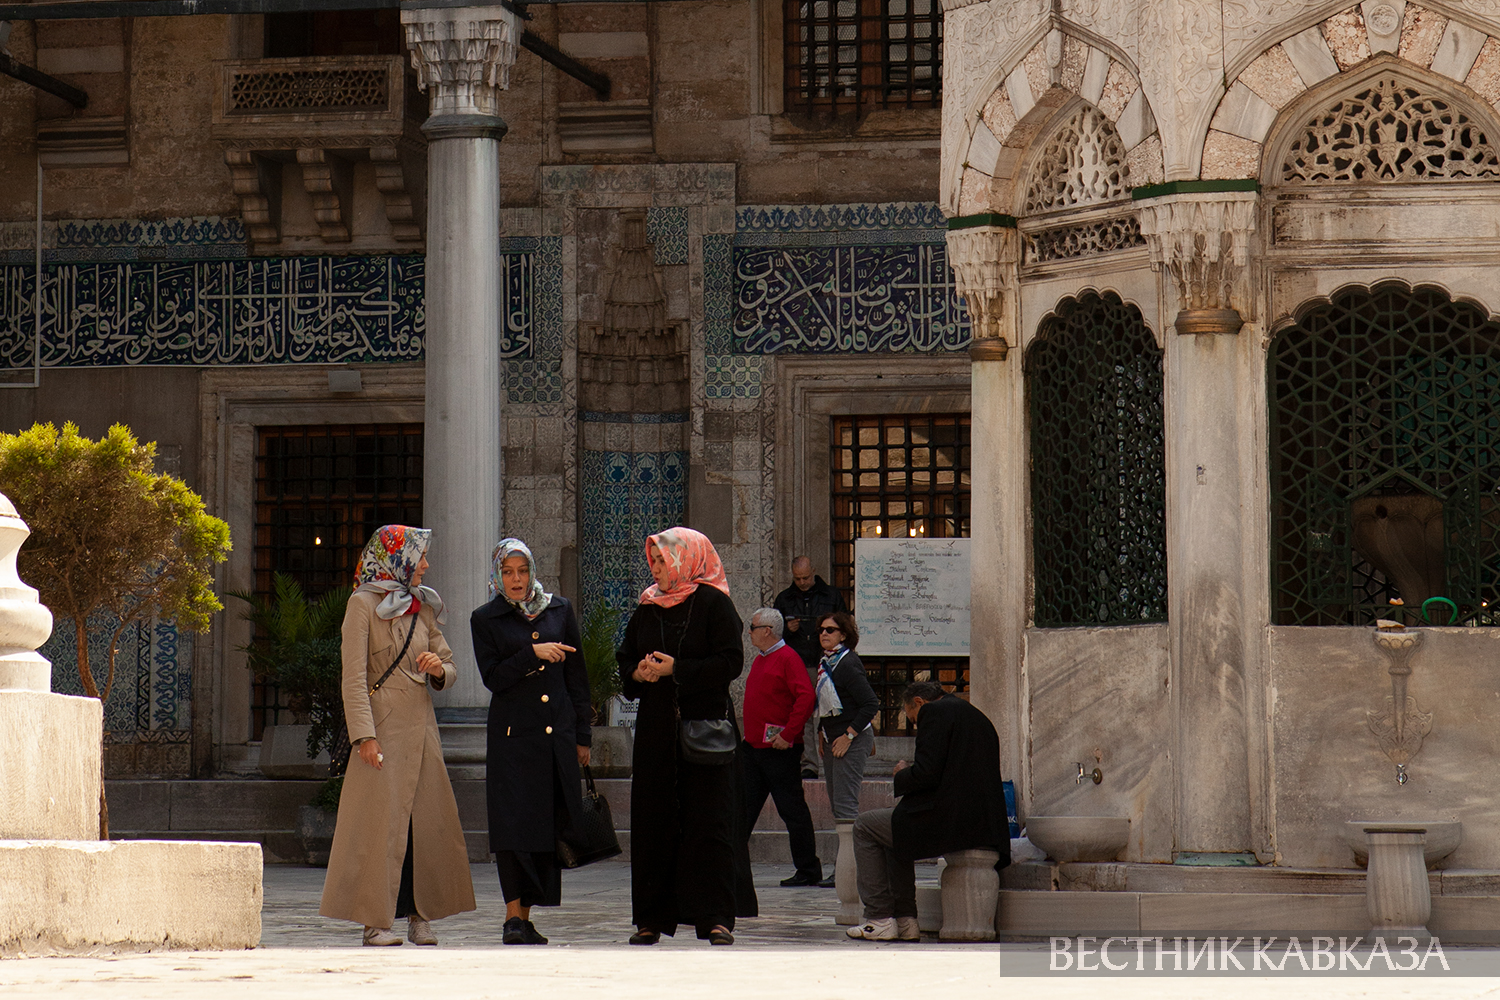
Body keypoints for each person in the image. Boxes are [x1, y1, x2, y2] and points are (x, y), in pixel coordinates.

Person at [320, 525, 476, 946]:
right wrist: (363, 737)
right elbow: (352, 679)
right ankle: (376, 921)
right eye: (420, 556)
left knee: (423, 826)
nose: (425, 564)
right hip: (382, 732)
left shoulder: (422, 607)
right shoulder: (361, 604)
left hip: (422, 730)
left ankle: (420, 916)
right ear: (397, 557)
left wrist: (438, 668)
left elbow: (449, 664)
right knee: (379, 827)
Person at [616, 526, 757, 946]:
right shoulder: (647, 607)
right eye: (654, 561)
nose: (656, 568)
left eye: (663, 560)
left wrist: (677, 669)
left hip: (705, 732)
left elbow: (730, 662)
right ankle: (650, 919)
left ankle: (715, 917)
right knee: (653, 824)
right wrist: (638, 674)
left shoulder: (714, 603)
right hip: (658, 734)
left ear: (686, 559)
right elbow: (626, 662)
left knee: (708, 824)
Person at [470, 538, 592, 946]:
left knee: (544, 826)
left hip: (555, 737)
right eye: (508, 572)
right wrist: (532, 654)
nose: (517, 579)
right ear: (497, 575)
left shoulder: (559, 608)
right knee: (513, 828)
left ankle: (526, 916)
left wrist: (583, 735)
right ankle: (511, 916)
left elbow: (577, 676)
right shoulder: (485, 618)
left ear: (533, 571)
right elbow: (493, 677)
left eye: (522, 571)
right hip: (511, 740)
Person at [846, 681, 1010, 942]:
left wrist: (902, 773)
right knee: (893, 827)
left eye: (912, 718)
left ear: (920, 703)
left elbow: (927, 773)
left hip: (950, 819)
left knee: (865, 826)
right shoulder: (974, 715)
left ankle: (878, 917)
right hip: (983, 821)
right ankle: (905, 921)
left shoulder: (934, 713)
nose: (914, 724)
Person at [740, 607, 821, 887]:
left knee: (792, 810)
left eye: (752, 627)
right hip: (753, 749)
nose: (748, 631)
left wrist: (788, 734)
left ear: (767, 631)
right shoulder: (761, 659)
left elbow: (806, 697)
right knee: (742, 810)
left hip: (778, 750)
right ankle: (733, 868)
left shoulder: (788, 657)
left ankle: (808, 869)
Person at [814, 609, 879, 888]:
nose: (824, 634)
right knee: (836, 801)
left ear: (843, 634)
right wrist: (821, 731)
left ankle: (851, 872)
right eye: (821, 630)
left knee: (846, 806)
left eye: (830, 630)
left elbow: (870, 704)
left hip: (849, 741)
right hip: (831, 739)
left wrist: (848, 736)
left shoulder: (847, 663)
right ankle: (844, 868)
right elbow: (828, 702)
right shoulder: (827, 661)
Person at [772, 556, 848, 778]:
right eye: (798, 578)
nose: (803, 582)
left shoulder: (831, 595)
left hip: (825, 660)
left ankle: (837, 759)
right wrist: (788, 629)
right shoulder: (784, 598)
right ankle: (808, 764)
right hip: (797, 662)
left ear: (814, 571)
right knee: (802, 714)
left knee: (832, 711)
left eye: (806, 577)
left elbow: (844, 625)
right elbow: (774, 633)